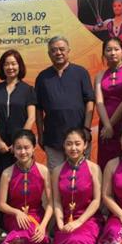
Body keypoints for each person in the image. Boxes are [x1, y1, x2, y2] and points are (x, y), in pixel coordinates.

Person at [0, 130, 53, 244]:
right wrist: (17, 212)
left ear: (34, 148)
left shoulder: (43, 171)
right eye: (18, 148)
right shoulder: (7, 173)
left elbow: (51, 203)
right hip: (14, 217)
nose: (23, 152)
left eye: (26, 147)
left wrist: (43, 226)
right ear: (13, 149)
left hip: (37, 215)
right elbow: (1, 205)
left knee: (33, 232)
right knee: (28, 233)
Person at [46, 128, 103, 244]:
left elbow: (96, 201)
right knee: (64, 240)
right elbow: (57, 201)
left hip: (88, 219)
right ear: (63, 146)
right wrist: (59, 222)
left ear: (85, 145)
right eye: (69, 144)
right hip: (65, 220)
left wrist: (79, 222)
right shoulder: (57, 170)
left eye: (78, 144)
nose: (73, 148)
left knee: (75, 240)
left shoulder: (94, 168)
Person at [0, 49, 36, 232]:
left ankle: (26, 219)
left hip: (22, 145)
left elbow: (31, 117)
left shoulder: (28, 89)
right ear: (2, 67)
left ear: (19, 66)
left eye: (13, 63)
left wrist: (19, 143)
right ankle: (4, 224)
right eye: (6, 64)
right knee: (4, 179)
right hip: (2, 144)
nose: (10, 67)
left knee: (22, 181)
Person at [35, 36, 95, 170]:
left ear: (68, 51)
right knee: (56, 175)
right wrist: (40, 134)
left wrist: (86, 129)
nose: (58, 53)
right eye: (54, 50)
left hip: (79, 138)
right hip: (53, 138)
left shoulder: (81, 73)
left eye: (62, 49)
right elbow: (38, 109)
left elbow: (90, 101)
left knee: (81, 175)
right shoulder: (42, 77)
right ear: (49, 54)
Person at [94, 38, 122, 169]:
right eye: (108, 50)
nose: (112, 53)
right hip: (105, 124)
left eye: (116, 49)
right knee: (105, 162)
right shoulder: (100, 75)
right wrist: (106, 125)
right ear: (104, 54)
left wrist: (111, 124)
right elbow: (99, 101)